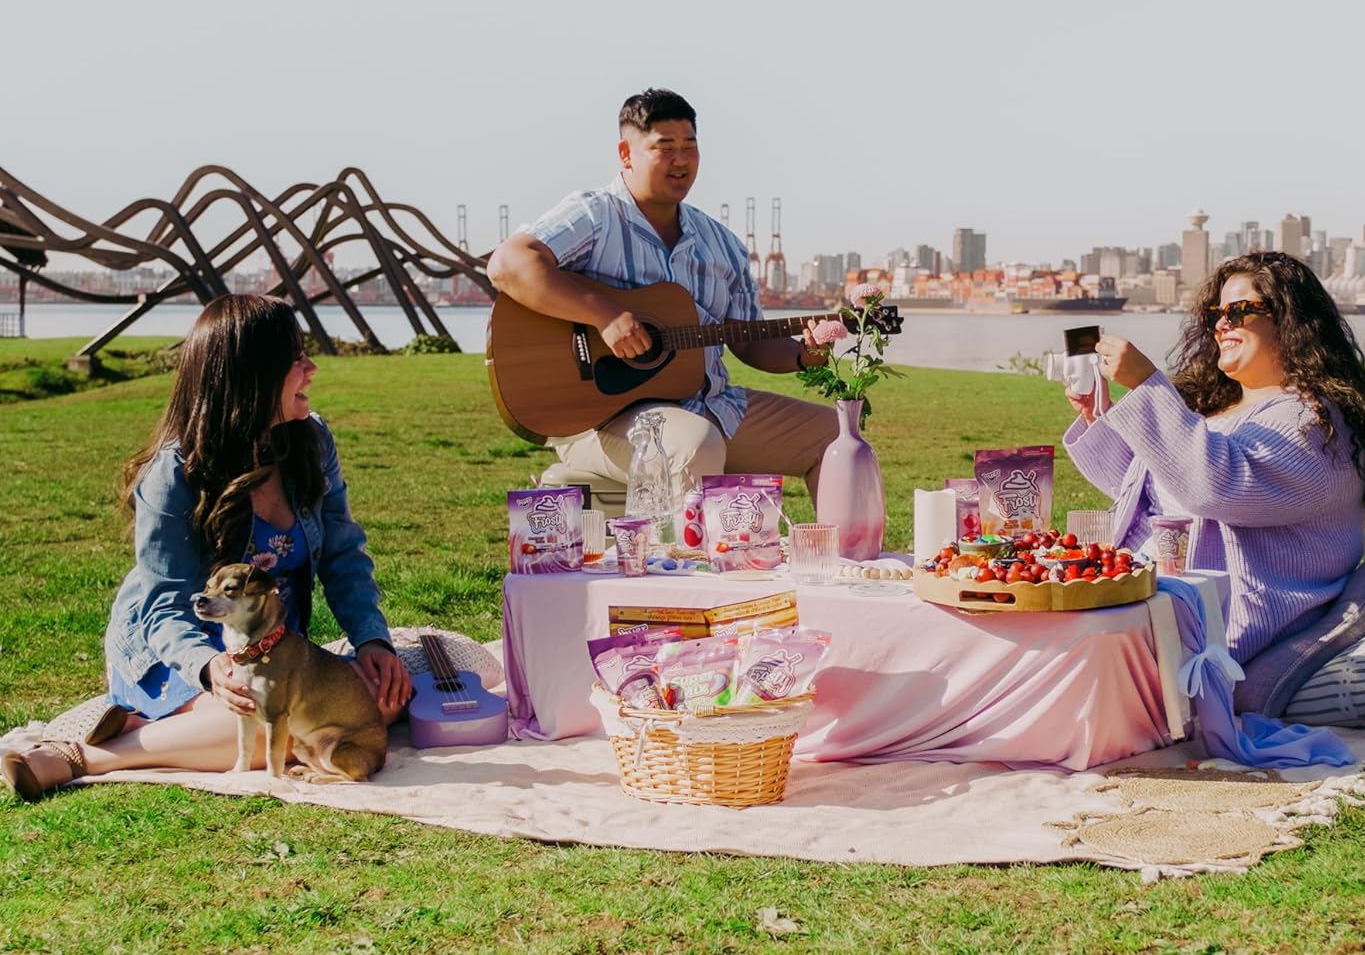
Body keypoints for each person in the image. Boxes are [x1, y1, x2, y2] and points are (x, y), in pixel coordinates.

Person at [2, 295, 412, 801]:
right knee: (268, 725)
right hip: (170, 651)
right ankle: (77, 756)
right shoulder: (175, 472)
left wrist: (372, 640)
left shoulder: (311, 442)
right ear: (252, 377)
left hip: (264, 649)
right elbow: (163, 604)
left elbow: (344, 555)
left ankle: (141, 726)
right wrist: (206, 666)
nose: (312, 368)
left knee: (380, 701)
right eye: (295, 360)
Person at [1063, 250, 1365, 664]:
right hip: (1152, 600)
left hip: (1222, 627)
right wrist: (1096, 416)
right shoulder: (1220, 411)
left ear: (1291, 319)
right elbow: (1161, 486)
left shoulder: (1313, 424)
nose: (1222, 324)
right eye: (1217, 313)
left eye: (1241, 310)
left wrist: (1145, 385)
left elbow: (1213, 487)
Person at [487, 87, 839, 494]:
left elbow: (750, 341)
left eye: (690, 146)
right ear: (626, 154)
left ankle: (850, 558)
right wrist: (603, 315)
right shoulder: (596, 215)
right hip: (599, 419)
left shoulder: (721, 242)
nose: (681, 160)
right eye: (664, 147)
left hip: (714, 406)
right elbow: (508, 263)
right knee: (694, 444)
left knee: (834, 435)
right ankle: (688, 559)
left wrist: (804, 353)